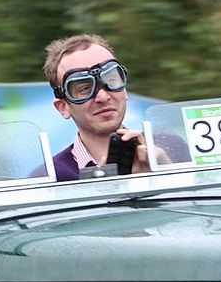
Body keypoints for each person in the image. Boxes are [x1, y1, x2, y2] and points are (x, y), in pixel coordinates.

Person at [39, 33, 156, 180]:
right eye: (84, 89)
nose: (103, 97)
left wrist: (164, 171)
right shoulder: (49, 178)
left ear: (124, 89)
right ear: (63, 107)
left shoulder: (170, 149)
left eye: (111, 80)